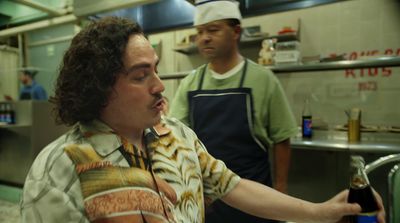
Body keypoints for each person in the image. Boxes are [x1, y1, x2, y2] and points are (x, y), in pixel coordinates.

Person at [20, 16, 385, 223]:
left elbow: (233, 186)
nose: (160, 86)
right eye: (140, 75)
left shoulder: (175, 136)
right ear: (98, 88)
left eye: (157, 71)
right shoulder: (60, 168)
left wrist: (320, 212)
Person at [169, 1, 296, 222]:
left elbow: (282, 139)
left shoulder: (263, 80)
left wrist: (280, 191)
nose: (204, 38)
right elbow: (176, 141)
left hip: (256, 200)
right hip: (209, 202)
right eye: (200, 32)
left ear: (236, 31)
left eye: (213, 30)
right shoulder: (191, 83)